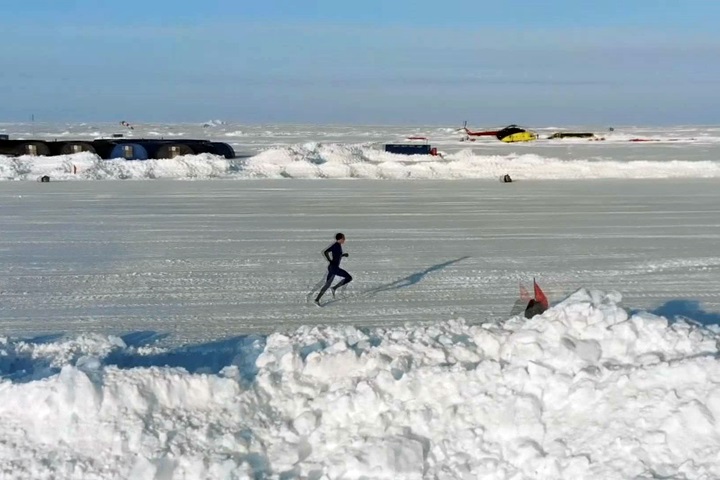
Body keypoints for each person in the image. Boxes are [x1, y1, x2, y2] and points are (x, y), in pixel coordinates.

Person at [314, 233, 352, 305]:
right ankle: (334, 288)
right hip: (334, 268)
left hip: (332, 268)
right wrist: (330, 260)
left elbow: (337, 255)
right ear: (340, 239)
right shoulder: (336, 245)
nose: (344, 240)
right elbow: (325, 252)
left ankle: (317, 299)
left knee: (327, 285)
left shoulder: (337, 245)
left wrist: (343, 255)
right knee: (349, 278)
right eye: (343, 238)